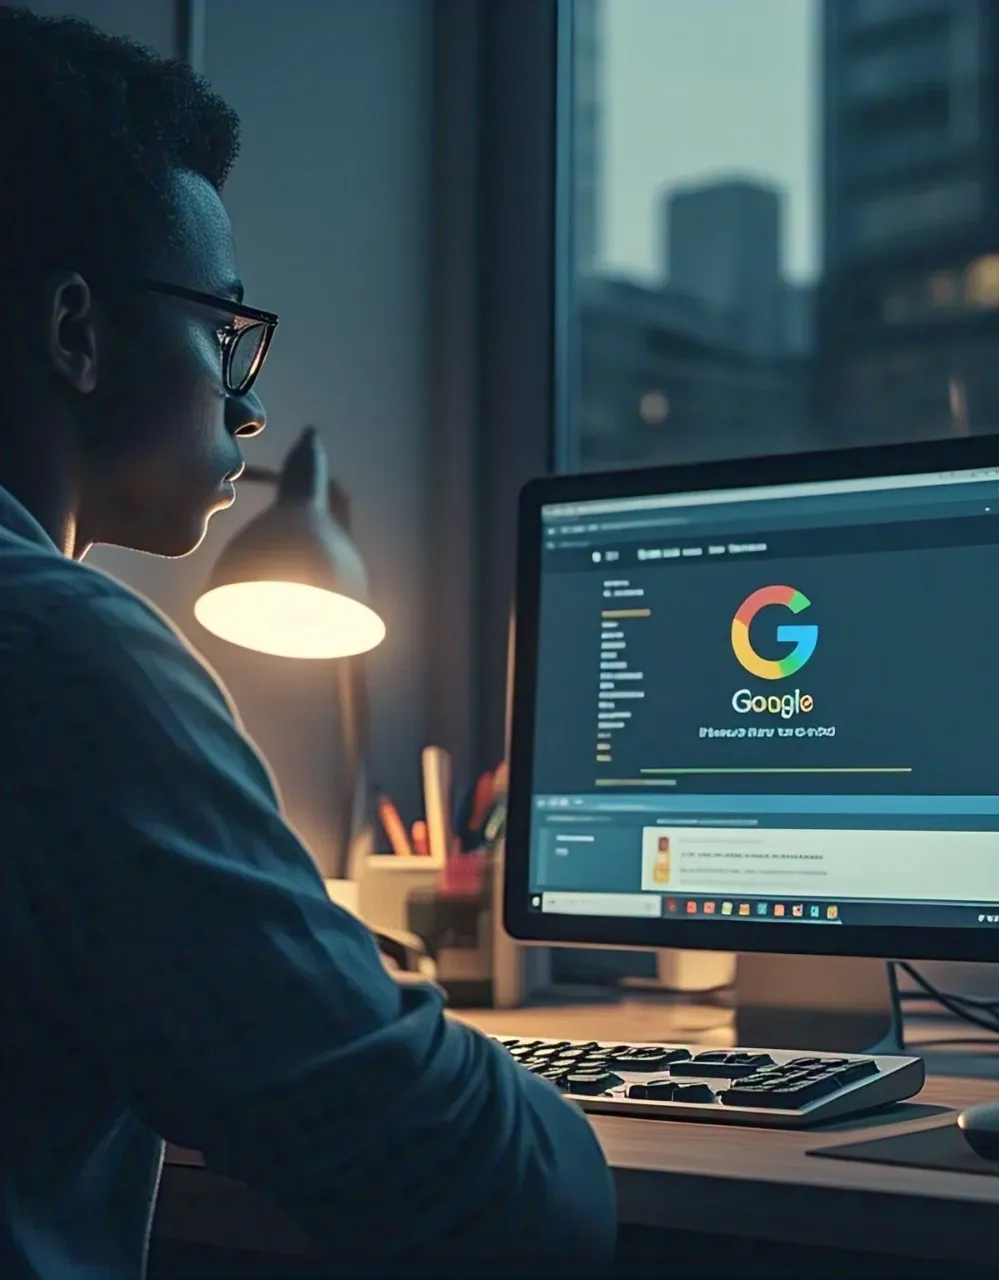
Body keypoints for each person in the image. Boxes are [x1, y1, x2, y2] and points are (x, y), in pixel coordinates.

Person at [0, 7, 615, 1277]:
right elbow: (509, 1202)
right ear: (76, 330)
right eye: (223, 330)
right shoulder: (60, 653)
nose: (251, 398)